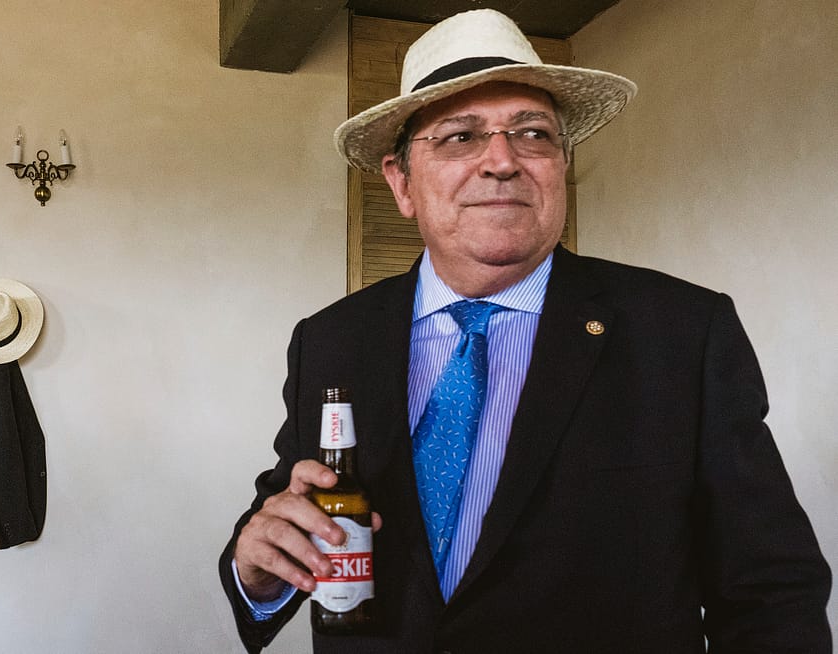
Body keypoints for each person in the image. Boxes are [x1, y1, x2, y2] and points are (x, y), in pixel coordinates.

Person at [219, 9, 831, 653]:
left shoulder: (682, 332)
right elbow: (292, 507)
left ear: (560, 164)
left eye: (532, 133)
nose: (502, 161)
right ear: (401, 183)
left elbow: (770, 591)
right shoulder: (331, 340)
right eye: (460, 136)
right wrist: (257, 573)